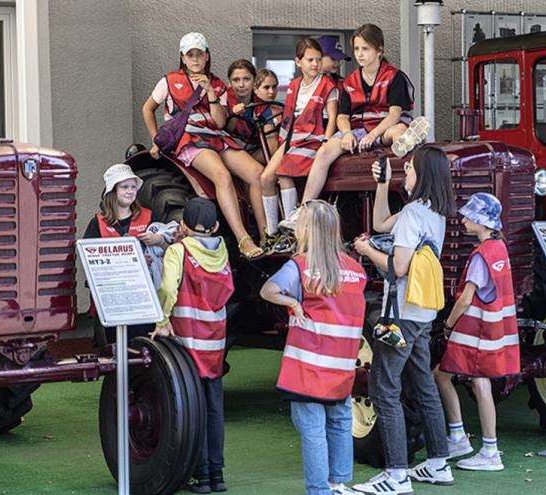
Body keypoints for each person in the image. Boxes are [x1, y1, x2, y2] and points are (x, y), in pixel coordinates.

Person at [352, 146, 455, 494]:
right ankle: (439, 462)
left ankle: (397, 474)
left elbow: (398, 268)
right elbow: (381, 223)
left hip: (401, 314)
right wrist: (382, 184)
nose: (405, 174)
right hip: (423, 313)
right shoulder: (432, 212)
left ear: (422, 174)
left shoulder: (412, 213)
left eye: (408, 169)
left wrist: (367, 252)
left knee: (385, 389)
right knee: (423, 385)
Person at [260, 200, 367, 495]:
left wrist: (293, 303)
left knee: (312, 430)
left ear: (307, 230)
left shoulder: (302, 266)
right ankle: (338, 483)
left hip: (307, 366)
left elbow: (268, 290)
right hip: (342, 364)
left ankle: (319, 490)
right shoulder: (356, 270)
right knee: (340, 421)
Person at [282, 24, 429, 230]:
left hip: (385, 127)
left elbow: (395, 114)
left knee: (399, 133)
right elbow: (342, 116)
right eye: (357, 49)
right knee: (324, 152)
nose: (360, 54)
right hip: (358, 129)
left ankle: (411, 181)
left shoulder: (394, 77)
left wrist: (374, 134)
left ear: (379, 50)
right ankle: (305, 208)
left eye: (365, 49)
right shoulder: (349, 82)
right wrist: (348, 133)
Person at [142, 32, 265, 259]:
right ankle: (243, 238)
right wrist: (155, 139)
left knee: (257, 173)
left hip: (216, 137)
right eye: (191, 55)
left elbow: (220, 122)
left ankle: (266, 235)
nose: (195, 59)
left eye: (199, 54)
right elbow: (147, 108)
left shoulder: (217, 84)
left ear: (207, 56)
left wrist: (209, 91)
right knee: (222, 175)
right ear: (183, 57)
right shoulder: (169, 81)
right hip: (189, 139)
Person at [153, 198, 234, 494]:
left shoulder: (179, 251)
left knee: (194, 408)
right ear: (215, 226)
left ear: (183, 225)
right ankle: (216, 474)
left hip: (187, 339)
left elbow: (167, 287)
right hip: (215, 340)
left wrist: (162, 320)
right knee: (214, 408)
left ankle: (200, 474)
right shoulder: (223, 251)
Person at [433, 193, 519, 472]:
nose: (464, 218)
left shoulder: (481, 255)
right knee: (450, 376)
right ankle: (464, 438)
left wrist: (448, 324)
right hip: (491, 331)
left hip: (474, 331)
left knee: (470, 382)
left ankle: (486, 449)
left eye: (470, 215)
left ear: (482, 222)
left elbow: (466, 298)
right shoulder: (499, 249)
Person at [258, 38, 338, 252]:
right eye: (310, 59)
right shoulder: (293, 85)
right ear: (298, 62)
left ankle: (292, 232)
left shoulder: (328, 85)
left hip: (312, 140)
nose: (315, 64)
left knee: (284, 174)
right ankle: (273, 234)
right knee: (265, 179)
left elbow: (332, 117)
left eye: (318, 60)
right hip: (291, 140)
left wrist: (326, 142)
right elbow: (289, 118)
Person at [83, 164, 166, 346]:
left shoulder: (149, 216)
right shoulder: (97, 223)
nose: (130, 191)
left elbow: (167, 252)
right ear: (112, 191)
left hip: (143, 300)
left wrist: (158, 240)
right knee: (117, 351)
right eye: (124, 187)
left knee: (144, 349)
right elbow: (89, 264)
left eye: (133, 187)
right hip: (113, 303)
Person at [225, 59, 278, 164]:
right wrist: (235, 115)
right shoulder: (222, 99)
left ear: (254, 81)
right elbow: (224, 132)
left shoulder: (262, 106)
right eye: (236, 80)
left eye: (246, 79)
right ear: (229, 83)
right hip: (228, 149)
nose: (241, 85)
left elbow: (270, 142)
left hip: (252, 151)